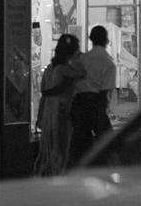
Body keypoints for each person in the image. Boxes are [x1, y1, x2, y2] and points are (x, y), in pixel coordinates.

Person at [33, 34, 86, 177]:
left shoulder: (50, 69)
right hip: (61, 115)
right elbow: (82, 73)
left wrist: (40, 117)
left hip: (48, 116)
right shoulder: (65, 70)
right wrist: (78, 57)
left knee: (49, 152)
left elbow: (44, 95)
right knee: (61, 150)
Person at [69, 25, 117, 165]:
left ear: (90, 39)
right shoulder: (108, 63)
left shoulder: (82, 59)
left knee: (80, 147)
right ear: (107, 41)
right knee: (107, 146)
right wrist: (101, 119)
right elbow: (104, 94)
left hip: (78, 105)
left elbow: (72, 85)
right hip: (95, 105)